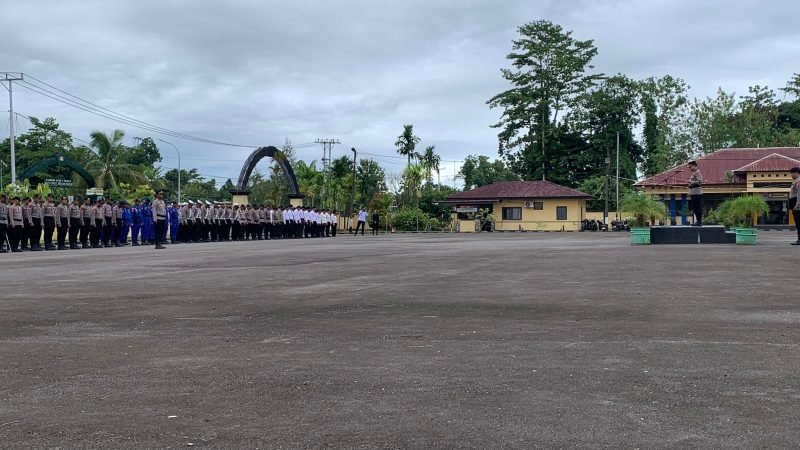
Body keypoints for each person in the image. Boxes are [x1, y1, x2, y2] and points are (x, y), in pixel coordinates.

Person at [687, 161, 703, 227]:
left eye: (690, 167)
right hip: (693, 192)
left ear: (694, 165)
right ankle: (698, 221)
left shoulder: (697, 172)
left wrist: (691, 182)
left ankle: (699, 222)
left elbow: (700, 181)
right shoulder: (694, 173)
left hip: (696, 192)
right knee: (695, 207)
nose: (689, 168)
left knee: (697, 207)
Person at [790, 167, 800, 246]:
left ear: (797, 172)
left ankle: (799, 239)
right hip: (795, 203)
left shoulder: (798, 181)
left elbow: (799, 194)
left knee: (798, 222)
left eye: (792, 173)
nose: (791, 175)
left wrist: (797, 205)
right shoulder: (796, 181)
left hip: (797, 205)